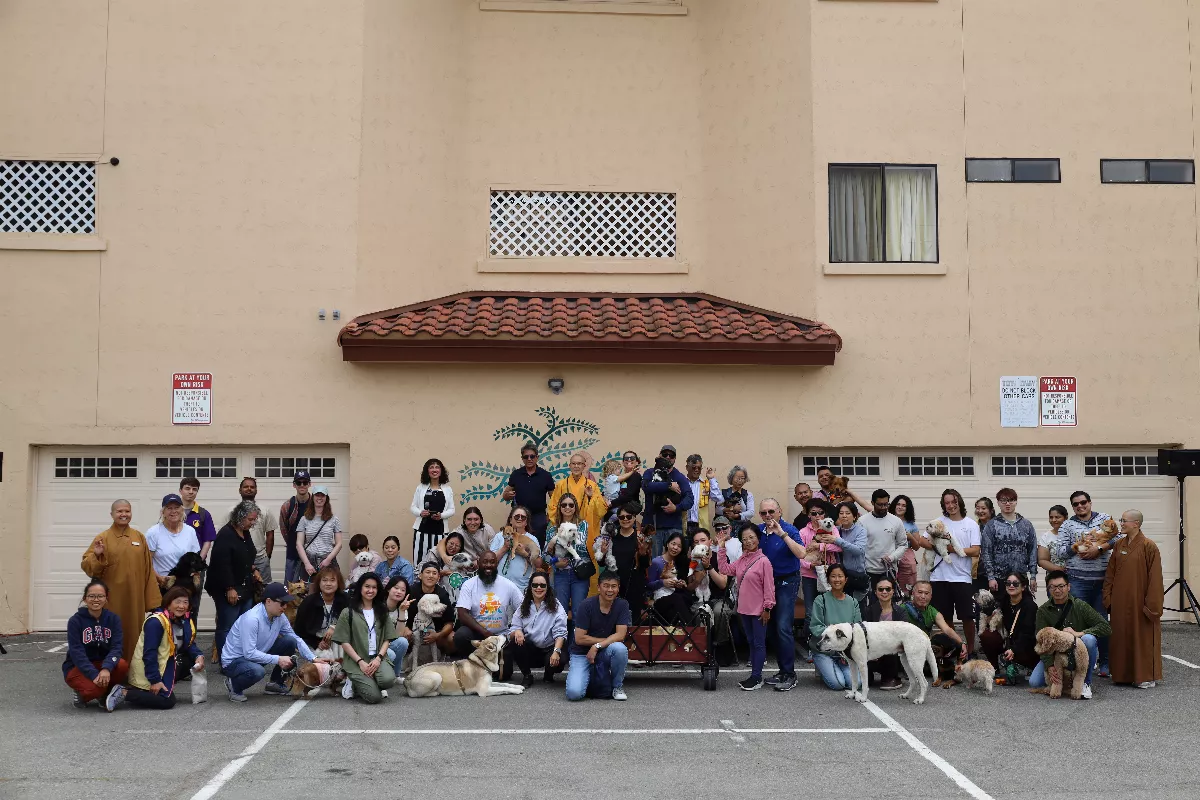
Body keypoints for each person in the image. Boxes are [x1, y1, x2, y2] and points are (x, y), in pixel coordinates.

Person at [81, 500, 161, 662]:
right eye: (119, 511)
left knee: (134, 635)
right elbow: (88, 567)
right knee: (112, 633)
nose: (123, 514)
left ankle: (133, 670)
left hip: (135, 600)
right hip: (112, 600)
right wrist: (96, 555)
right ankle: (111, 668)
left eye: (127, 511)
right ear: (112, 514)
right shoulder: (103, 538)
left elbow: (148, 570)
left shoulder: (139, 537)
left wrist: (152, 601)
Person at [1055, 491, 1116, 676]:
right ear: (1072, 507)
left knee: (1101, 622)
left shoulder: (1104, 519)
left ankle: (1105, 663)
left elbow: (1119, 537)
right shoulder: (1067, 525)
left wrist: (1099, 548)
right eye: (1076, 504)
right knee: (1079, 623)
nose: (1080, 506)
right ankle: (1082, 664)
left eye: (1083, 502)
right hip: (1077, 581)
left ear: (1090, 502)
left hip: (1101, 581)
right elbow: (1060, 552)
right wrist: (1078, 546)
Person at [221, 582, 316, 702]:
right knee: (257, 671)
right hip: (234, 661)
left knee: (290, 641)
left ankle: (275, 683)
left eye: (286, 603)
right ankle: (234, 686)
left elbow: (294, 637)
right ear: (269, 601)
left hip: (255, 653)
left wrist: (314, 658)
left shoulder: (279, 616)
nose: (285, 606)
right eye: (282, 603)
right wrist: (278, 659)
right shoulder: (252, 619)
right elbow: (249, 653)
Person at [1103, 510, 1163, 688]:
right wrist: (1108, 597)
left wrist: (1152, 605)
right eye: (1121, 520)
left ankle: (1144, 676)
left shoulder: (1148, 546)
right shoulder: (1119, 544)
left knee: (1142, 637)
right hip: (1120, 602)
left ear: (1136, 523)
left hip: (1140, 602)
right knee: (1121, 637)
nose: (1121, 524)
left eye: (1124, 521)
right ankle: (1122, 675)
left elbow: (1155, 578)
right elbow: (1110, 573)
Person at [918, 489, 981, 655]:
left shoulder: (971, 524)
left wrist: (951, 549)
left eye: (954, 502)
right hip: (939, 577)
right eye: (947, 503)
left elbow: (975, 550)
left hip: (962, 577)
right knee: (945, 618)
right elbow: (922, 540)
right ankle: (957, 648)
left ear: (959, 502)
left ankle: (971, 651)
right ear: (943, 505)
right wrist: (938, 548)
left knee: (967, 617)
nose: (951, 505)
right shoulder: (938, 522)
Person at [1032, 570, 1111, 698]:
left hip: (1078, 651)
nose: (1057, 590)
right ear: (1048, 589)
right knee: (1035, 682)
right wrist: (1049, 665)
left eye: (1061, 586)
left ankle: (1085, 683)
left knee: (1089, 639)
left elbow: (1105, 627)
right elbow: (1041, 642)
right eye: (1052, 587)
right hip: (1056, 655)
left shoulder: (1080, 606)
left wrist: (1080, 633)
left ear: (1068, 587)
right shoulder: (1043, 611)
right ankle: (1065, 683)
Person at [125, 585, 204, 709]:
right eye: (177, 602)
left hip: (166, 663)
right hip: (149, 668)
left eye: (185, 602)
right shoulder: (156, 622)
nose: (182, 606)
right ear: (168, 603)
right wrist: (155, 680)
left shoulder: (184, 620)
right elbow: (149, 654)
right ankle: (124, 693)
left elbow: (189, 644)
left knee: (191, 660)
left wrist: (198, 656)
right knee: (167, 701)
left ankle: (153, 690)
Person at [717, 522, 775, 690]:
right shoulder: (742, 559)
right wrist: (721, 548)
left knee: (759, 643)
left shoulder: (764, 561)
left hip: (759, 611)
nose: (748, 541)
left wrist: (767, 608)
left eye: (751, 537)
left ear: (758, 538)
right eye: (744, 539)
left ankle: (756, 677)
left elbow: (769, 588)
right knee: (751, 642)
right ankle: (754, 675)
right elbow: (725, 569)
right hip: (744, 609)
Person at [758, 498, 807, 692]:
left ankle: (790, 674)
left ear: (779, 512)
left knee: (783, 627)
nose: (768, 515)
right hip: (766, 585)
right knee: (770, 628)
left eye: (771, 511)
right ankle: (781, 671)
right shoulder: (758, 530)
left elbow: (802, 554)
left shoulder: (790, 530)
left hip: (787, 582)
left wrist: (782, 534)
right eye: (764, 512)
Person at [63, 579, 130, 711]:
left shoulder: (113, 619)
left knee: (122, 665)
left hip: (103, 663)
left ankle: (105, 691)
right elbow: (77, 652)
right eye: (91, 596)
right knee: (94, 690)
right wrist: (93, 674)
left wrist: (106, 668)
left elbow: (117, 647)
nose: (96, 600)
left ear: (106, 598)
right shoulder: (75, 621)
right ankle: (83, 693)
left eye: (100, 596)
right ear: (85, 598)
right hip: (78, 666)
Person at [207, 500, 260, 661]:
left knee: (244, 625)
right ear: (240, 517)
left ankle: (240, 657)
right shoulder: (225, 534)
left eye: (254, 519)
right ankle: (226, 661)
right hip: (227, 587)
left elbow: (246, 554)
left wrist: (254, 569)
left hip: (244, 586)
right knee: (227, 626)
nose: (253, 523)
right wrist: (229, 588)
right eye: (250, 519)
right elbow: (221, 564)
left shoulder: (245, 532)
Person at [565, 571, 631, 701]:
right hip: (581, 653)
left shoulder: (622, 605)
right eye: (606, 586)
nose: (610, 590)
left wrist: (597, 646)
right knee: (574, 694)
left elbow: (620, 635)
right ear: (599, 587)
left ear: (618, 588)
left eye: (614, 586)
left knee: (620, 648)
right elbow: (579, 638)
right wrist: (606, 641)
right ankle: (589, 675)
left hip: (605, 650)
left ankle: (617, 686)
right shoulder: (586, 605)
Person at [334, 574, 397, 703]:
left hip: (377, 657)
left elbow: (387, 638)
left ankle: (373, 681)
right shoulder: (348, 612)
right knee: (374, 697)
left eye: (374, 587)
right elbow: (344, 641)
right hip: (356, 660)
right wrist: (360, 662)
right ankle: (352, 682)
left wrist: (379, 658)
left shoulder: (382, 610)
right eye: (367, 586)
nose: (370, 590)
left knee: (388, 680)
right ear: (360, 588)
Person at [548, 451, 610, 578]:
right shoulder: (561, 485)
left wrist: (591, 497)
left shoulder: (592, 485)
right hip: (566, 531)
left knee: (586, 563)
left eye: (579, 464)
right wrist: (562, 527)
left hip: (585, 531)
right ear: (569, 465)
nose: (576, 466)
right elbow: (552, 508)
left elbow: (601, 510)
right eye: (574, 463)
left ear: (584, 466)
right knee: (564, 562)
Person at [452, 551, 523, 660]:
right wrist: (485, 633)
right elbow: (462, 613)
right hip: (477, 633)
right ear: (478, 563)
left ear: (497, 564)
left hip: (500, 636)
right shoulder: (469, 585)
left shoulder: (508, 585)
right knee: (461, 636)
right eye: (485, 562)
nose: (488, 565)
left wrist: (516, 628)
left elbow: (522, 608)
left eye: (492, 562)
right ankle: (471, 661)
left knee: (505, 668)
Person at [508, 571, 568, 687]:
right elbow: (513, 628)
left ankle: (549, 674)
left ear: (547, 587)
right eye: (535, 585)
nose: (538, 588)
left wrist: (556, 651)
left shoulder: (557, 606)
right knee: (515, 641)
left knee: (560, 659)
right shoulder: (524, 605)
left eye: (542, 585)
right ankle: (527, 675)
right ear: (530, 587)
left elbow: (561, 633)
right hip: (532, 650)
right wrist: (518, 631)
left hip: (550, 648)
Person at [808, 564, 862, 690]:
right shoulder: (820, 600)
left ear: (846, 579)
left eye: (840, 576)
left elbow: (857, 629)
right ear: (828, 579)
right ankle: (822, 665)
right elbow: (815, 627)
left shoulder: (853, 602)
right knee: (838, 684)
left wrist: (846, 652)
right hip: (823, 651)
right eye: (833, 576)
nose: (837, 579)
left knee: (855, 683)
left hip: (845, 652)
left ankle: (833, 668)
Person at [798, 499, 842, 650]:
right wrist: (810, 565)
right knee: (810, 612)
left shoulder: (831, 528)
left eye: (820, 513)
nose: (817, 516)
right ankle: (810, 645)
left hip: (828, 574)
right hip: (809, 575)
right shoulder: (803, 532)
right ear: (808, 515)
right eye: (813, 513)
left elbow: (839, 547)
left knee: (828, 610)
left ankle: (829, 644)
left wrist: (820, 545)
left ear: (825, 514)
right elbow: (798, 555)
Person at [899, 581, 968, 678]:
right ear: (913, 593)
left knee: (943, 637)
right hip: (904, 648)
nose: (923, 596)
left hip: (923, 648)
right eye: (920, 592)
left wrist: (962, 644)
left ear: (931, 596)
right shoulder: (902, 609)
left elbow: (947, 629)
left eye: (926, 593)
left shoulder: (932, 611)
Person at [979, 572, 1040, 682]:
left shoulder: (1030, 606)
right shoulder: (1003, 602)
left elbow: (1028, 634)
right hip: (1007, 641)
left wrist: (1014, 649)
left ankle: (1028, 666)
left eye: (1015, 583)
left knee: (1025, 650)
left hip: (1025, 645)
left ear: (1023, 587)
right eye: (1008, 583)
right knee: (986, 635)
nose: (1011, 586)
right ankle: (994, 668)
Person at [544, 494, 593, 623]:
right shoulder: (552, 530)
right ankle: (562, 637)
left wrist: (560, 542)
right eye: (564, 505)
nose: (567, 507)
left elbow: (581, 547)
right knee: (560, 613)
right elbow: (545, 555)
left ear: (575, 507)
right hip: (561, 574)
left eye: (571, 505)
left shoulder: (583, 525)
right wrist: (555, 563)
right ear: (559, 508)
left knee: (578, 613)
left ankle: (577, 637)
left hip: (580, 573)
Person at [981, 488, 1039, 594]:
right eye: (1003, 500)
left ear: (1016, 502)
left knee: (1025, 604)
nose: (1007, 504)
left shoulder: (1026, 525)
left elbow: (1033, 551)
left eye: (1011, 500)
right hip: (999, 578)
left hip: (1021, 578)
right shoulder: (991, 525)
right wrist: (991, 577)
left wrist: (1033, 576)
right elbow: (986, 553)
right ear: (998, 502)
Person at [641, 445, 694, 556]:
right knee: (654, 561)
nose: (668, 457)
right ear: (659, 456)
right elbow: (646, 487)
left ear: (675, 459)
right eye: (665, 454)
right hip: (653, 526)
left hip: (673, 526)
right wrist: (668, 485)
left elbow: (690, 499)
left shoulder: (679, 477)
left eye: (671, 455)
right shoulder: (650, 473)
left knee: (673, 562)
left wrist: (676, 508)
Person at [503, 443, 556, 544]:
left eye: (532, 456)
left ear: (537, 457)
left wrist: (549, 516)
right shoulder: (516, 474)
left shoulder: (546, 475)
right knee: (517, 544)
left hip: (538, 517)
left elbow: (554, 499)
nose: (529, 459)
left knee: (537, 545)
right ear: (522, 458)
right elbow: (505, 495)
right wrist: (508, 495)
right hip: (519, 517)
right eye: (526, 457)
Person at [690, 528, 734, 649]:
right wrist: (697, 578)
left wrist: (709, 567)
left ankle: (721, 645)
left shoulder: (719, 557)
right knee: (700, 612)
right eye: (696, 542)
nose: (700, 544)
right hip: (700, 599)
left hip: (719, 598)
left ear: (710, 542)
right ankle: (703, 647)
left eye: (703, 540)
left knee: (720, 611)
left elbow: (723, 584)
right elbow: (690, 587)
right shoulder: (693, 560)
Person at [145, 493, 200, 589]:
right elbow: (146, 562)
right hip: (162, 585)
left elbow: (194, 559)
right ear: (163, 512)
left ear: (182, 510)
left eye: (177, 507)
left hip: (185, 586)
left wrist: (194, 574)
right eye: (169, 508)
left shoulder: (190, 531)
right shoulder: (153, 533)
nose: (173, 511)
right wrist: (159, 578)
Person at [230, 477, 278, 584]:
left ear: (256, 490)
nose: (249, 489)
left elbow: (270, 534)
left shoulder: (265, 511)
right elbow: (227, 535)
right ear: (240, 490)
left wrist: (267, 556)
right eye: (246, 487)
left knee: (264, 590)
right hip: (239, 559)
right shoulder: (232, 512)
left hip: (260, 560)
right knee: (241, 589)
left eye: (252, 487)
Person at [608, 503, 650, 620]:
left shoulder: (640, 537)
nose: (625, 519)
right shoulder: (612, 536)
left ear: (634, 517)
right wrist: (602, 553)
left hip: (635, 584)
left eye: (629, 516)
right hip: (615, 585)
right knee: (614, 620)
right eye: (622, 517)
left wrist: (643, 553)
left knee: (634, 621)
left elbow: (645, 565)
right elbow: (602, 563)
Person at [860, 489, 908, 591]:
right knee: (871, 600)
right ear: (872, 503)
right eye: (880, 504)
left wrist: (892, 557)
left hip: (889, 570)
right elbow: (859, 546)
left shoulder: (896, 521)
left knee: (888, 599)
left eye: (886, 504)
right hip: (868, 570)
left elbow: (903, 545)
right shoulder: (862, 521)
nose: (883, 507)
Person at [410, 457, 456, 564]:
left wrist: (442, 515)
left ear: (441, 471)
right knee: (420, 561)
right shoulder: (420, 487)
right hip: (421, 531)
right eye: (431, 467)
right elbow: (413, 507)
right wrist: (420, 513)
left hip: (440, 532)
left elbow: (452, 509)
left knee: (438, 561)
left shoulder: (447, 489)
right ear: (427, 471)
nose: (434, 470)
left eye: (437, 467)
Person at [408, 562, 456, 664]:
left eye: (434, 573)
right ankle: (408, 658)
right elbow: (405, 615)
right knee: (403, 634)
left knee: (452, 638)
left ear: (438, 578)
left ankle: (443, 656)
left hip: (436, 631)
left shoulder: (442, 594)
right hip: (414, 629)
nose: (431, 576)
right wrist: (408, 629)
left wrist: (437, 635)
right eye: (427, 572)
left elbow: (449, 623)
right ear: (420, 576)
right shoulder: (412, 591)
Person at [861, 576, 903, 690]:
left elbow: (902, 636)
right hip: (872, 653)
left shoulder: (900, 612)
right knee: (865, 682)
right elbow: (864, 634)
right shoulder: (868, 610)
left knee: (891, 647)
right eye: (880, 589)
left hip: (892, 654)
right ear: (876, 592)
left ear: (893, 591)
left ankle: (892, 678)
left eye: (888, 589)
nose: (884, 592)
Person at [293, 566, 348, 652]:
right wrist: (316, 643)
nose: (328, 584)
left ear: (338, 582)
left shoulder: (345, 599)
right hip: (315, 643)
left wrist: (335, 627)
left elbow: (352, 622)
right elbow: (299, 630)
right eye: (324, 580)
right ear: (319, 582)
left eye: (332, 580)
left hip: (340, 642)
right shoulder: (309, 602)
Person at [493, 506, 543, 593]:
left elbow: (539, 564)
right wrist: (505, 547)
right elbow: (491, 560)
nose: (520, 519)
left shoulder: (532, 538)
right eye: (516, 516)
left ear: (526, 522)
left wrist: (525, 554)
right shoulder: (499, 536)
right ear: (510, 520)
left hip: (523, 587)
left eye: (523, 517)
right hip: (501, 586)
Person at [297, 486, 343, 579]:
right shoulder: (304, 519)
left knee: (330, 586)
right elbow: (299, 544)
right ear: (313, 497)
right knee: (309, 587)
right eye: (317, 495)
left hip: (328, 560)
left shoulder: (334, 519)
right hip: (310, 561)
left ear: (326, 498)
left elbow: (339, 544)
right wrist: (307, 563)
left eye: (322, 495)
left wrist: (328, 559)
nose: (319, 498)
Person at [648, 532, 693, 624]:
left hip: (677, 598)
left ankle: (686, 630)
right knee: (677, 599)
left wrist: (680, 584)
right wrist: (662, 582)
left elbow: (684, 583)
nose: (675, 548)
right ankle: (691, 629)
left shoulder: (681, 562)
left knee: (680, 603)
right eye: (673, 544)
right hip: (661, 599)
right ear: (667, 544)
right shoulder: (656, 562)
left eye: (679, 546)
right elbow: (649, 585)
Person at [279, 470, 314, 583]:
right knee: (290, 586)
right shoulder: (287, 506)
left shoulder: (316, 505)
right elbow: (284, 529)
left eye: (305, 482)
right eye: (299, 483)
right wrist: (292, 542)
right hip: (293, 553)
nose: (302, 485)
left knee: (311, 586)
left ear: (309, 484)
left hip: (312, 554)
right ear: (294, 485)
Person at [833, 501, 869, 600]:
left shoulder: (861, 531)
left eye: (848, 513)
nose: (844, 516)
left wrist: (837, 540)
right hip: (838, 577)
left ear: (854, 516)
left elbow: (858, 550)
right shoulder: (835, 530)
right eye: (841, 513)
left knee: (856, 606)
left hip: (855, 576)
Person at [180, 476, 218, 561]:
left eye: (194, 489)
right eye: (187, 488)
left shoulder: (203, 514)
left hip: (194, 561)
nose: (191, 492)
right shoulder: (172, 512)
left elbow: (207, 541)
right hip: (172, 560)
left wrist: (199, 561)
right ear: (180, 491)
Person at [683, 455, 724, 533]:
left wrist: (711, 479)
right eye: (694, 467)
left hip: (701, 526)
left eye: (699, 468)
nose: (696, 470)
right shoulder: (682, 482)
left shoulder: (706, 483)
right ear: (687, 467)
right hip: (684, 525)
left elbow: (718, 498)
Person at [889, 494, 920, 596]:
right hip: (889, 554)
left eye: (903, 505)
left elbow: (917, 547)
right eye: (898, 504)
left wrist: (910, 537)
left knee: (906, 590)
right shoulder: (886, 519)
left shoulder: (911, 525)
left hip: (906, 557)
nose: (900, 507)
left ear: (907, 508)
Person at [383, 576, 413, 672]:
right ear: (388, 589)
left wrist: (401, 611)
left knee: (403, 642)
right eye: (396, 588)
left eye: (403, 590)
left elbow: (398, 635)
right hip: (376, 643)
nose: (399, 592)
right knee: (390, 654)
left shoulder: (402, 609)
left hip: (389, 641)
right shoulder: (378, 606)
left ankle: (396, 674)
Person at [604, 451, 643, 521]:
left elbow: (627, 496)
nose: (629, 460)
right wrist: (604, 498)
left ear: (637, 462)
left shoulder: (635, 476)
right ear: (623, 462)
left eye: (632, 458)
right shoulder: (619, 478)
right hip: (616, 509)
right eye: (626, 458)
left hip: (626, 513)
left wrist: (611, 503)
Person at [1038, 505, 1069, 577]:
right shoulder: (1046, 537)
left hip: (1076, 577)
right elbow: (1042, 560)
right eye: (1051, 517)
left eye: (1057, 517)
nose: (1054, 520)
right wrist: (1061, 570)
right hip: (1054, 577)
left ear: (1065, 518)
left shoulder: (1073, 534)